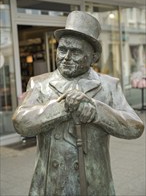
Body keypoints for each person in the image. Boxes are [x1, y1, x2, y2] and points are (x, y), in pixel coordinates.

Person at [12, 11, 144, 196]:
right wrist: (62, 108)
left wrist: (96, 112)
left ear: (93, 56)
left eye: (75, 52)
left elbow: (135, 127)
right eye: (62, 49)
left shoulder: (108, 85)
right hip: (50, 184)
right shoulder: (39, 84)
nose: (65, 57)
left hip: (94, 183)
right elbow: (21, 123)